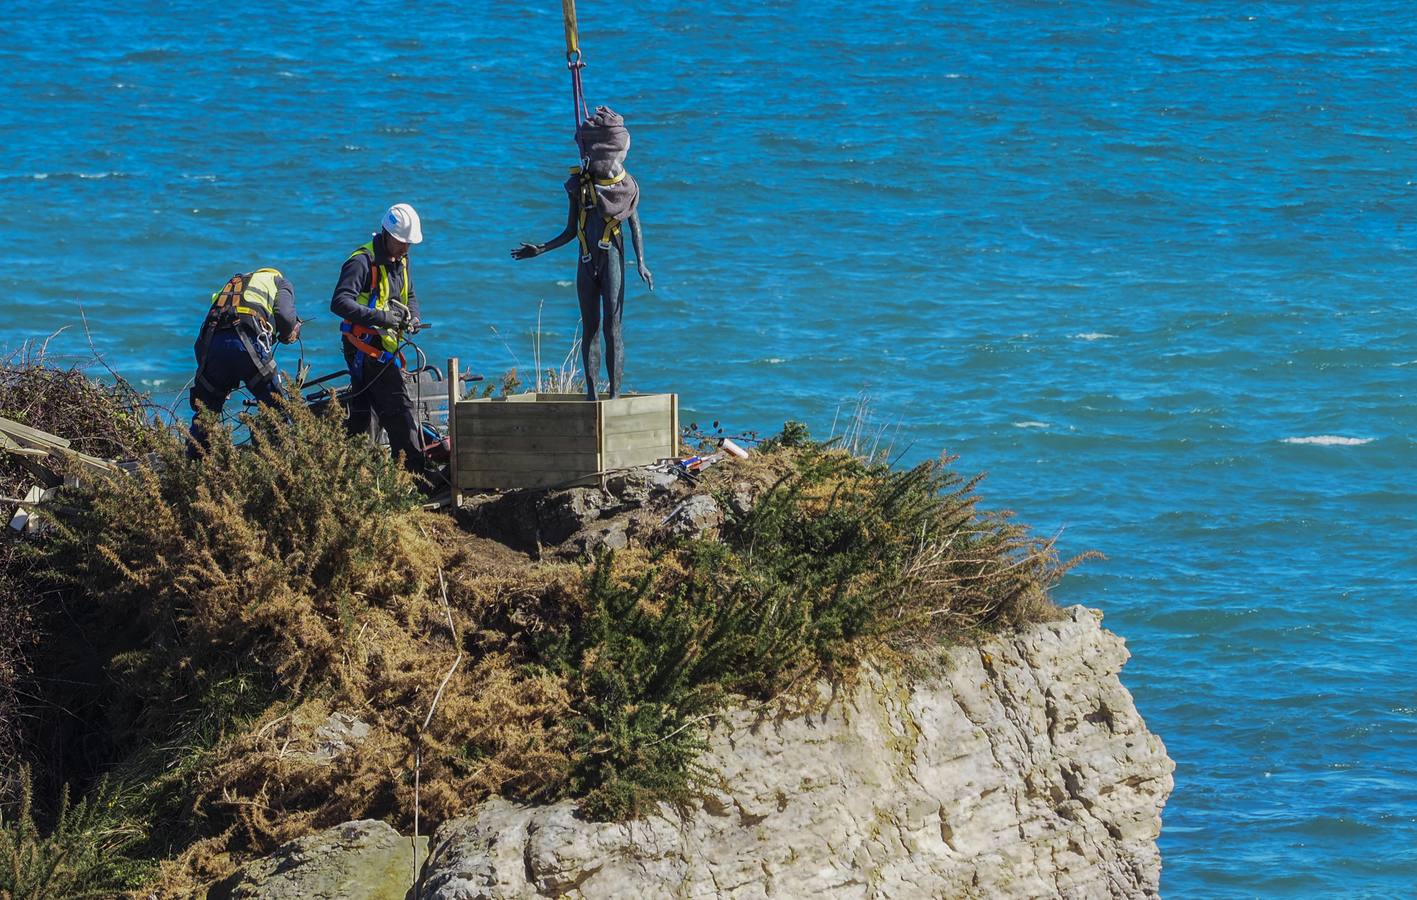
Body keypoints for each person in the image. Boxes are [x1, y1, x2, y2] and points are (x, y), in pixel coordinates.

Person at [512, 106, 652, 400]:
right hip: (586, 260)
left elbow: (634, 226)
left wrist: (641, 262)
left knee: (613, 328)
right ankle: (591, 394)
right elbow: (569, 231)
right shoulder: (581, 186)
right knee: (590, 328)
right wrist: (540, 249)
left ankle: (613, 395)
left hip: (612, 256)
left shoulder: (624, 188)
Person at [330, 203, 429, 480]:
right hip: (364, 346)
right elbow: (339, 302)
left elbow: (410, 295)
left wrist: (415, 318)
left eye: (409, 243)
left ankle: (356, 478)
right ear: (386, 233)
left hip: (384, 346)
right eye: (402, 242)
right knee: (399, 409)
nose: (406, 249)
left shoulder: (402, 261)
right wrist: (382, 318)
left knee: (365, 412)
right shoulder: (361, 262)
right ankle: (416, 478)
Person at [189, 266, 300, 455]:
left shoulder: (233, 285)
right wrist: (291, 332)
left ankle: (193, 467)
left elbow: (202, 339)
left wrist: (214, 377)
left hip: (211, 346)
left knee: (205, 418)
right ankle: (286, 464)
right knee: (278, 410)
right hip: (246, 345)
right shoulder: (279, 281)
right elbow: (285, 317)